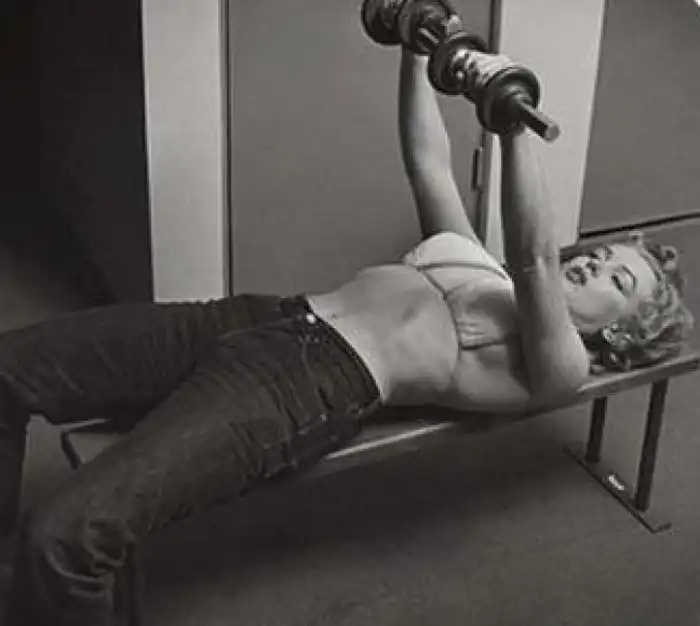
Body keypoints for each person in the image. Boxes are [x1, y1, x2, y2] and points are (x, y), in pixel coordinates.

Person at [0, 49, 693, 625]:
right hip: (257, 316)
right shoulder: (479, 266)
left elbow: (536, 258)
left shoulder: (560, 366)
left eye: (619, 281)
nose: (595, 262)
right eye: (606, 255)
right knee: (10, 368)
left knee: (67, 537)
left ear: (619, 332)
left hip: (303, 384)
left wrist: (513, 126)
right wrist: (421, 49)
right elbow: (427, 162)